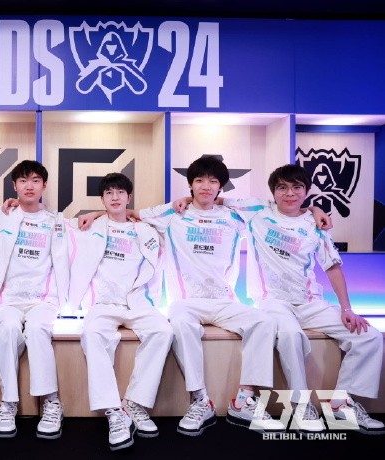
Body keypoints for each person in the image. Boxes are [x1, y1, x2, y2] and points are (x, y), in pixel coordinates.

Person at [222, 163, 384, 435]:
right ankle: (300, 406)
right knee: (290, 335)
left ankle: (340, 404)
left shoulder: (315, 224)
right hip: (273, 301)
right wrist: (186, 200)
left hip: (310, 302)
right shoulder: (257, 212)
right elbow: (213, 199)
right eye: (282, 187)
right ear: (273, 191)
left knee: (369, 336)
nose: (290, 193)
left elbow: (333, 267)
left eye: (297, 188)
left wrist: (347, 308)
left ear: (307, 191)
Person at [137, 156, 283, 436]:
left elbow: (276, 206)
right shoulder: (174, 214)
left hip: (225, 301)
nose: (206, 186)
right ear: (190, 185)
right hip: (186, 303)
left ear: (221, 187)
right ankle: (200, 400)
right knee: (179, 324)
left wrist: (314, 208)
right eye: (199, 180)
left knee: (264, 322)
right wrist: (94, 215)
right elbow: (131, 214)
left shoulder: (234, 217)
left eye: (213, 181)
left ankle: (244, 400)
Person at [67, 173, 174, 451]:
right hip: (103, 303)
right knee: (91, 334)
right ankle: (114, 411)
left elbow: (174, 212)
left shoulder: (146, 229)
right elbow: (51, 224)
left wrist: (185, 199)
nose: (115, 197)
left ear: (129, 197)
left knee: (163, 331)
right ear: (102, 199)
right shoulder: (89, 226)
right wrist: (95, 215)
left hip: (137, 302)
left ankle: (134, 403)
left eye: (120, 192)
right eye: (109, 193)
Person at [0, 160, 69, 439]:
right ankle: (8, 402)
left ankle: (51, 401)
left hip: (43, 300)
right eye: (23, 181)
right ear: (14, 186)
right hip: (7, 300)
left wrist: (96, 213)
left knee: (37, 328)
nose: (29, 186)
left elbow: (103, 221)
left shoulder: (56, 221)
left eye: (35, 180)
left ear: (44, 185)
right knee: (7, 329)